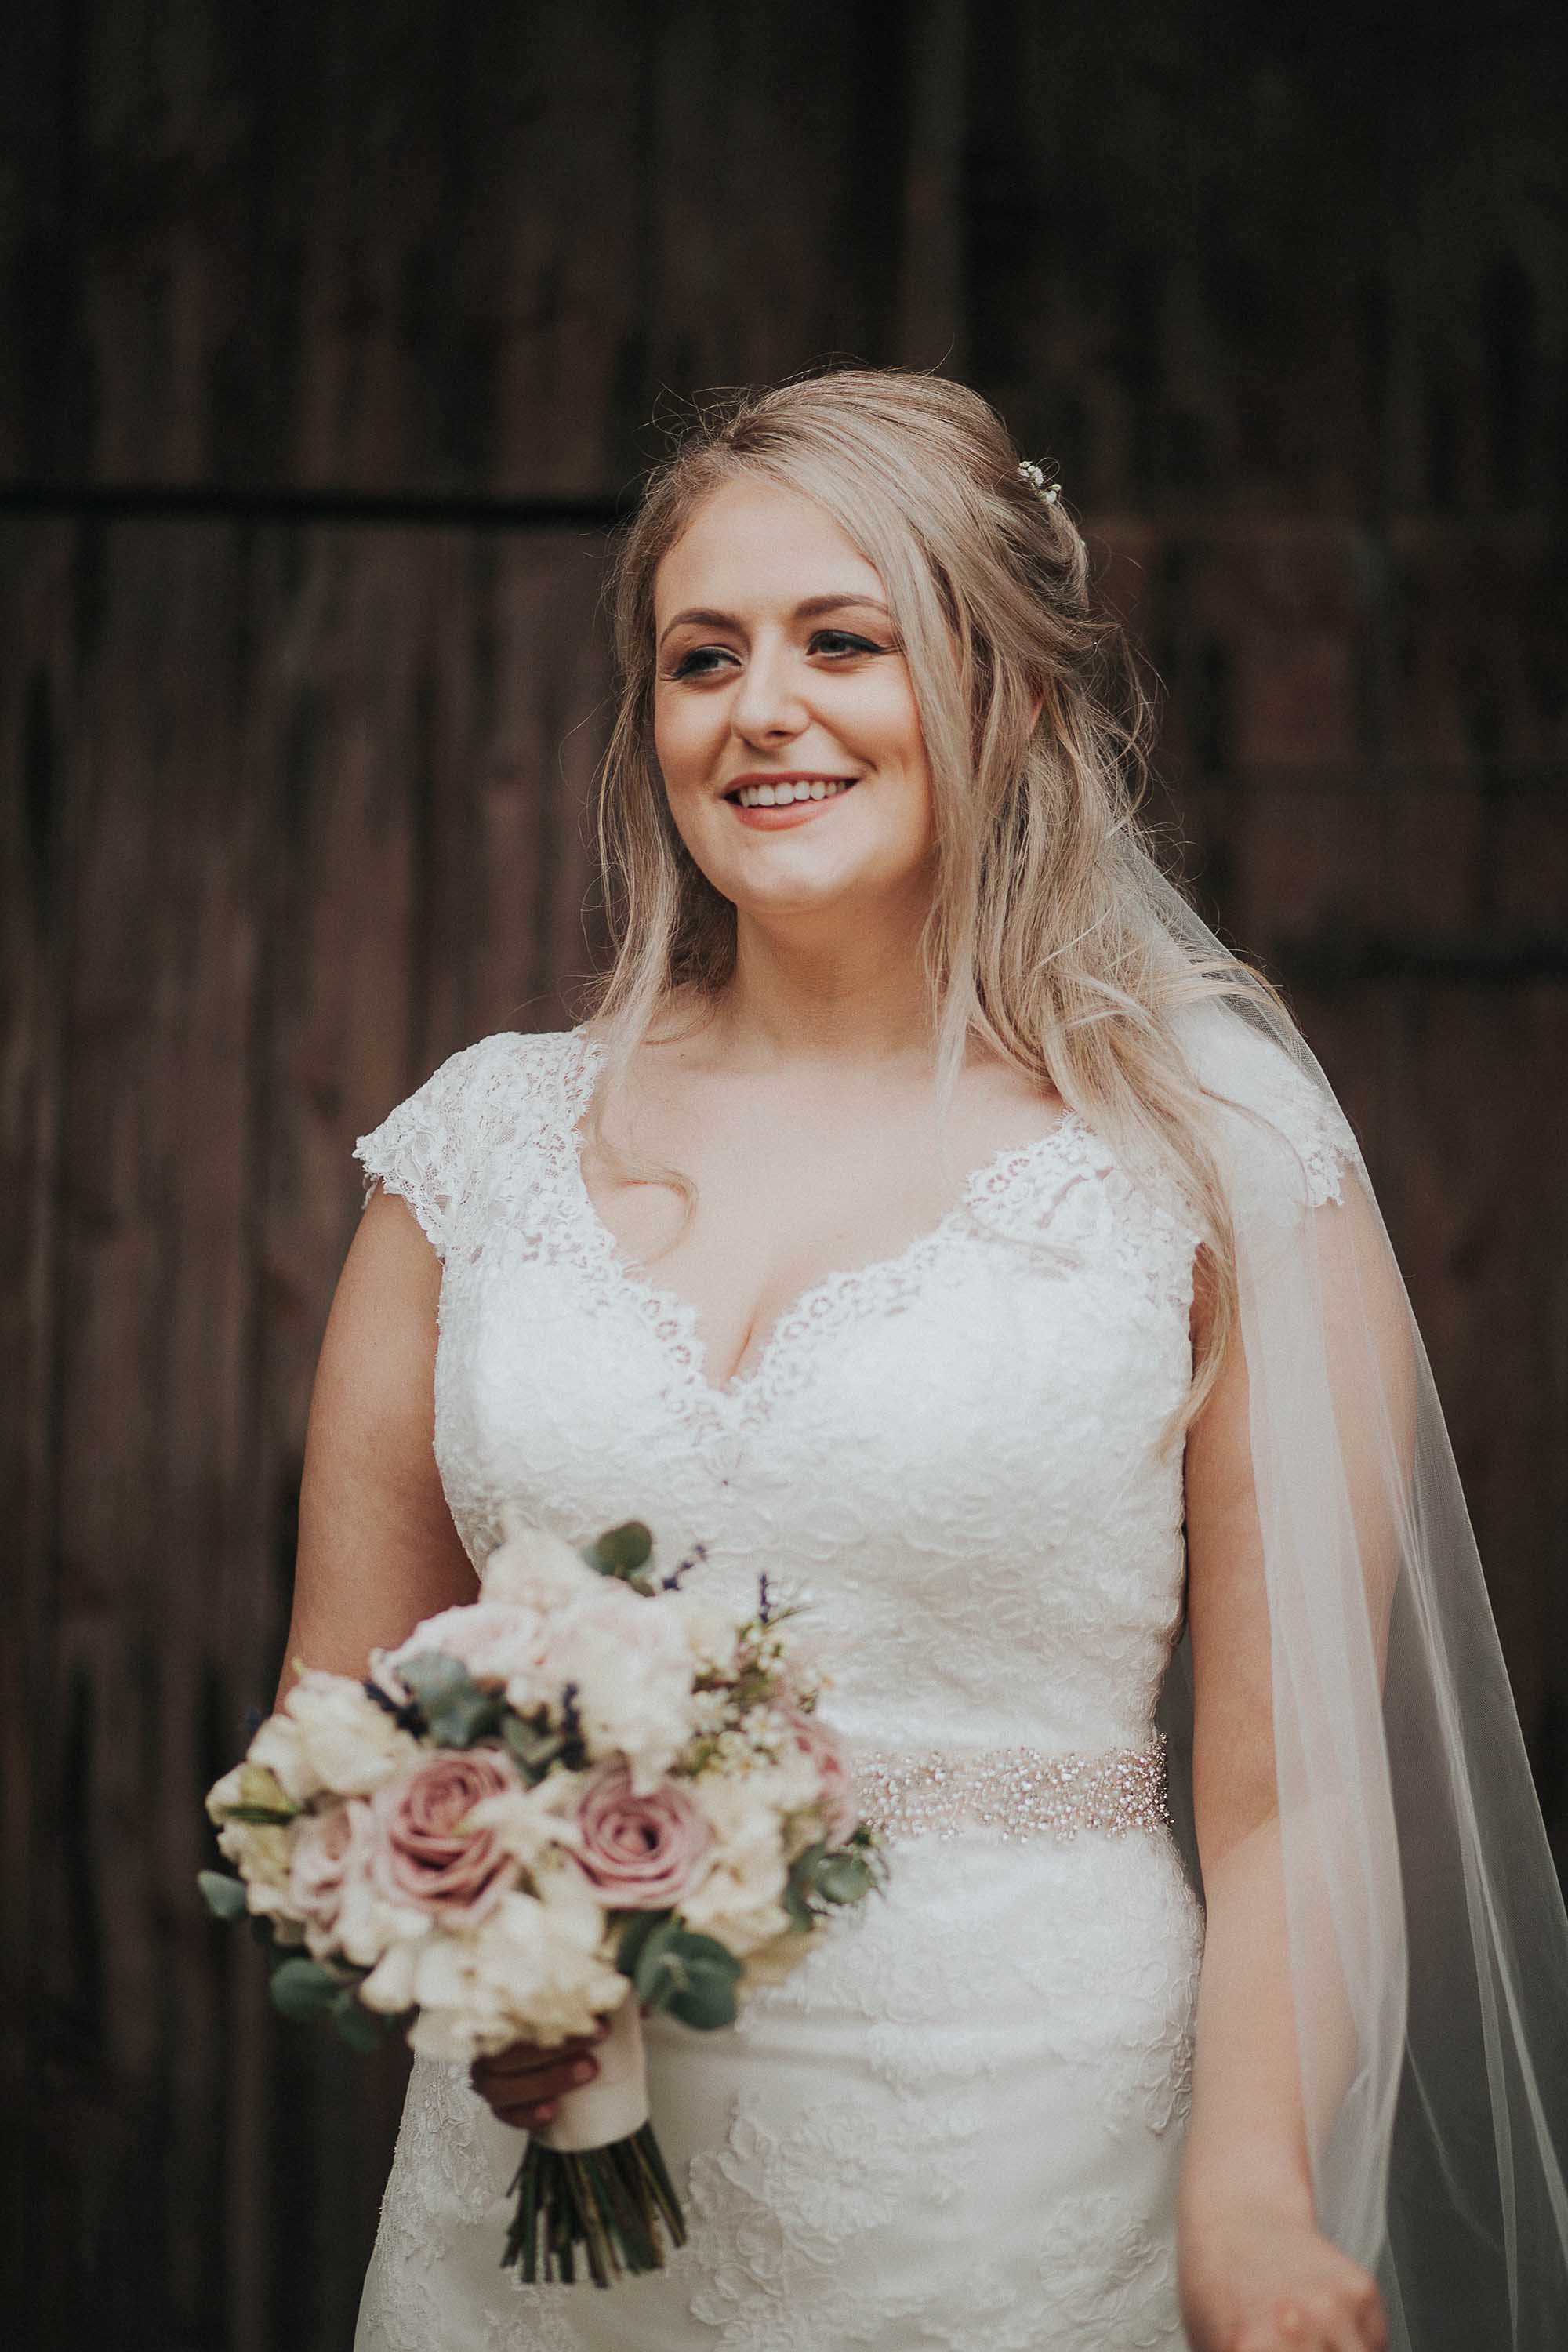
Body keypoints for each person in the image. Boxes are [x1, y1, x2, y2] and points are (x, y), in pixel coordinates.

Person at [278, 368, 1568, 2351]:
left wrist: (1246, 2209)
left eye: (842, 640)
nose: (760, 708)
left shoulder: (1211, 1157)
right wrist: (468, 1968)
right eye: (700, 657)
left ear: (1013, 692)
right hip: (536, 2224)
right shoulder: (476, 1149)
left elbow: (1289, 1805)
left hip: (1023, 2187)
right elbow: (339, 1735)